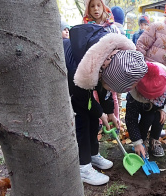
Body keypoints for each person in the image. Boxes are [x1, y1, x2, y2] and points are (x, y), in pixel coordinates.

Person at [63, 26, 148, 186]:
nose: (108, 88)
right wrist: (99, 111)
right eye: (109, 85)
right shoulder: (81, 70)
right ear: (104, 74)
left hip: (86, 81)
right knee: (83, 122)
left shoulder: (108, 59)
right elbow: (83, 98)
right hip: (71, 82)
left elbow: (104, 90)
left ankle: (93, 154)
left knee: (93, 121)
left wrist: (109, 112)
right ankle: (83, 166)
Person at [126, 62, 166, 158]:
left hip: (161, 106)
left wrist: (165, 108)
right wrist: (137, 142)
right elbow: (131, 119)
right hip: (144, 106)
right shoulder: (134, 97)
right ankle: (142, 142)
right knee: (147, 119)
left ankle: (154, 140)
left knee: (159, 118)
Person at [83, 0, 121, 122]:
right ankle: (101, 120)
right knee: (96, 93)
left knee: (110, 93)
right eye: (92, 6)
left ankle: (115, 118)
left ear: (103, 7)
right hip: (94, 66)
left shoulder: (111, 27)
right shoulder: (86, 28)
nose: (96, 9)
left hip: (109, 65)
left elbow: (118, 43)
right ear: (88, 9)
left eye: (98, 5)